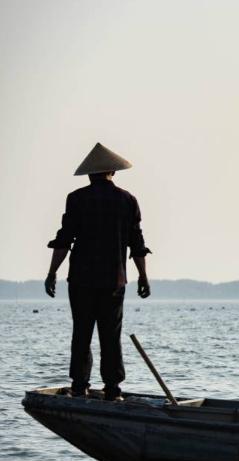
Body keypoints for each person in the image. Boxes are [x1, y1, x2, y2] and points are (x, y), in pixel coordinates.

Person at [45, 143, 152, 401]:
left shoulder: (77, 199)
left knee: (81, 333)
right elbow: (136, 243)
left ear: (90, 174)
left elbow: (64, 240)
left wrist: (51, 273)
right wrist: (143, 276)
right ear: (112, 172)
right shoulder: (127, 201)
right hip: (114, 281)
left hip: (81, 279)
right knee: (110, 335)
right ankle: (113, 390)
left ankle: (80, 387)